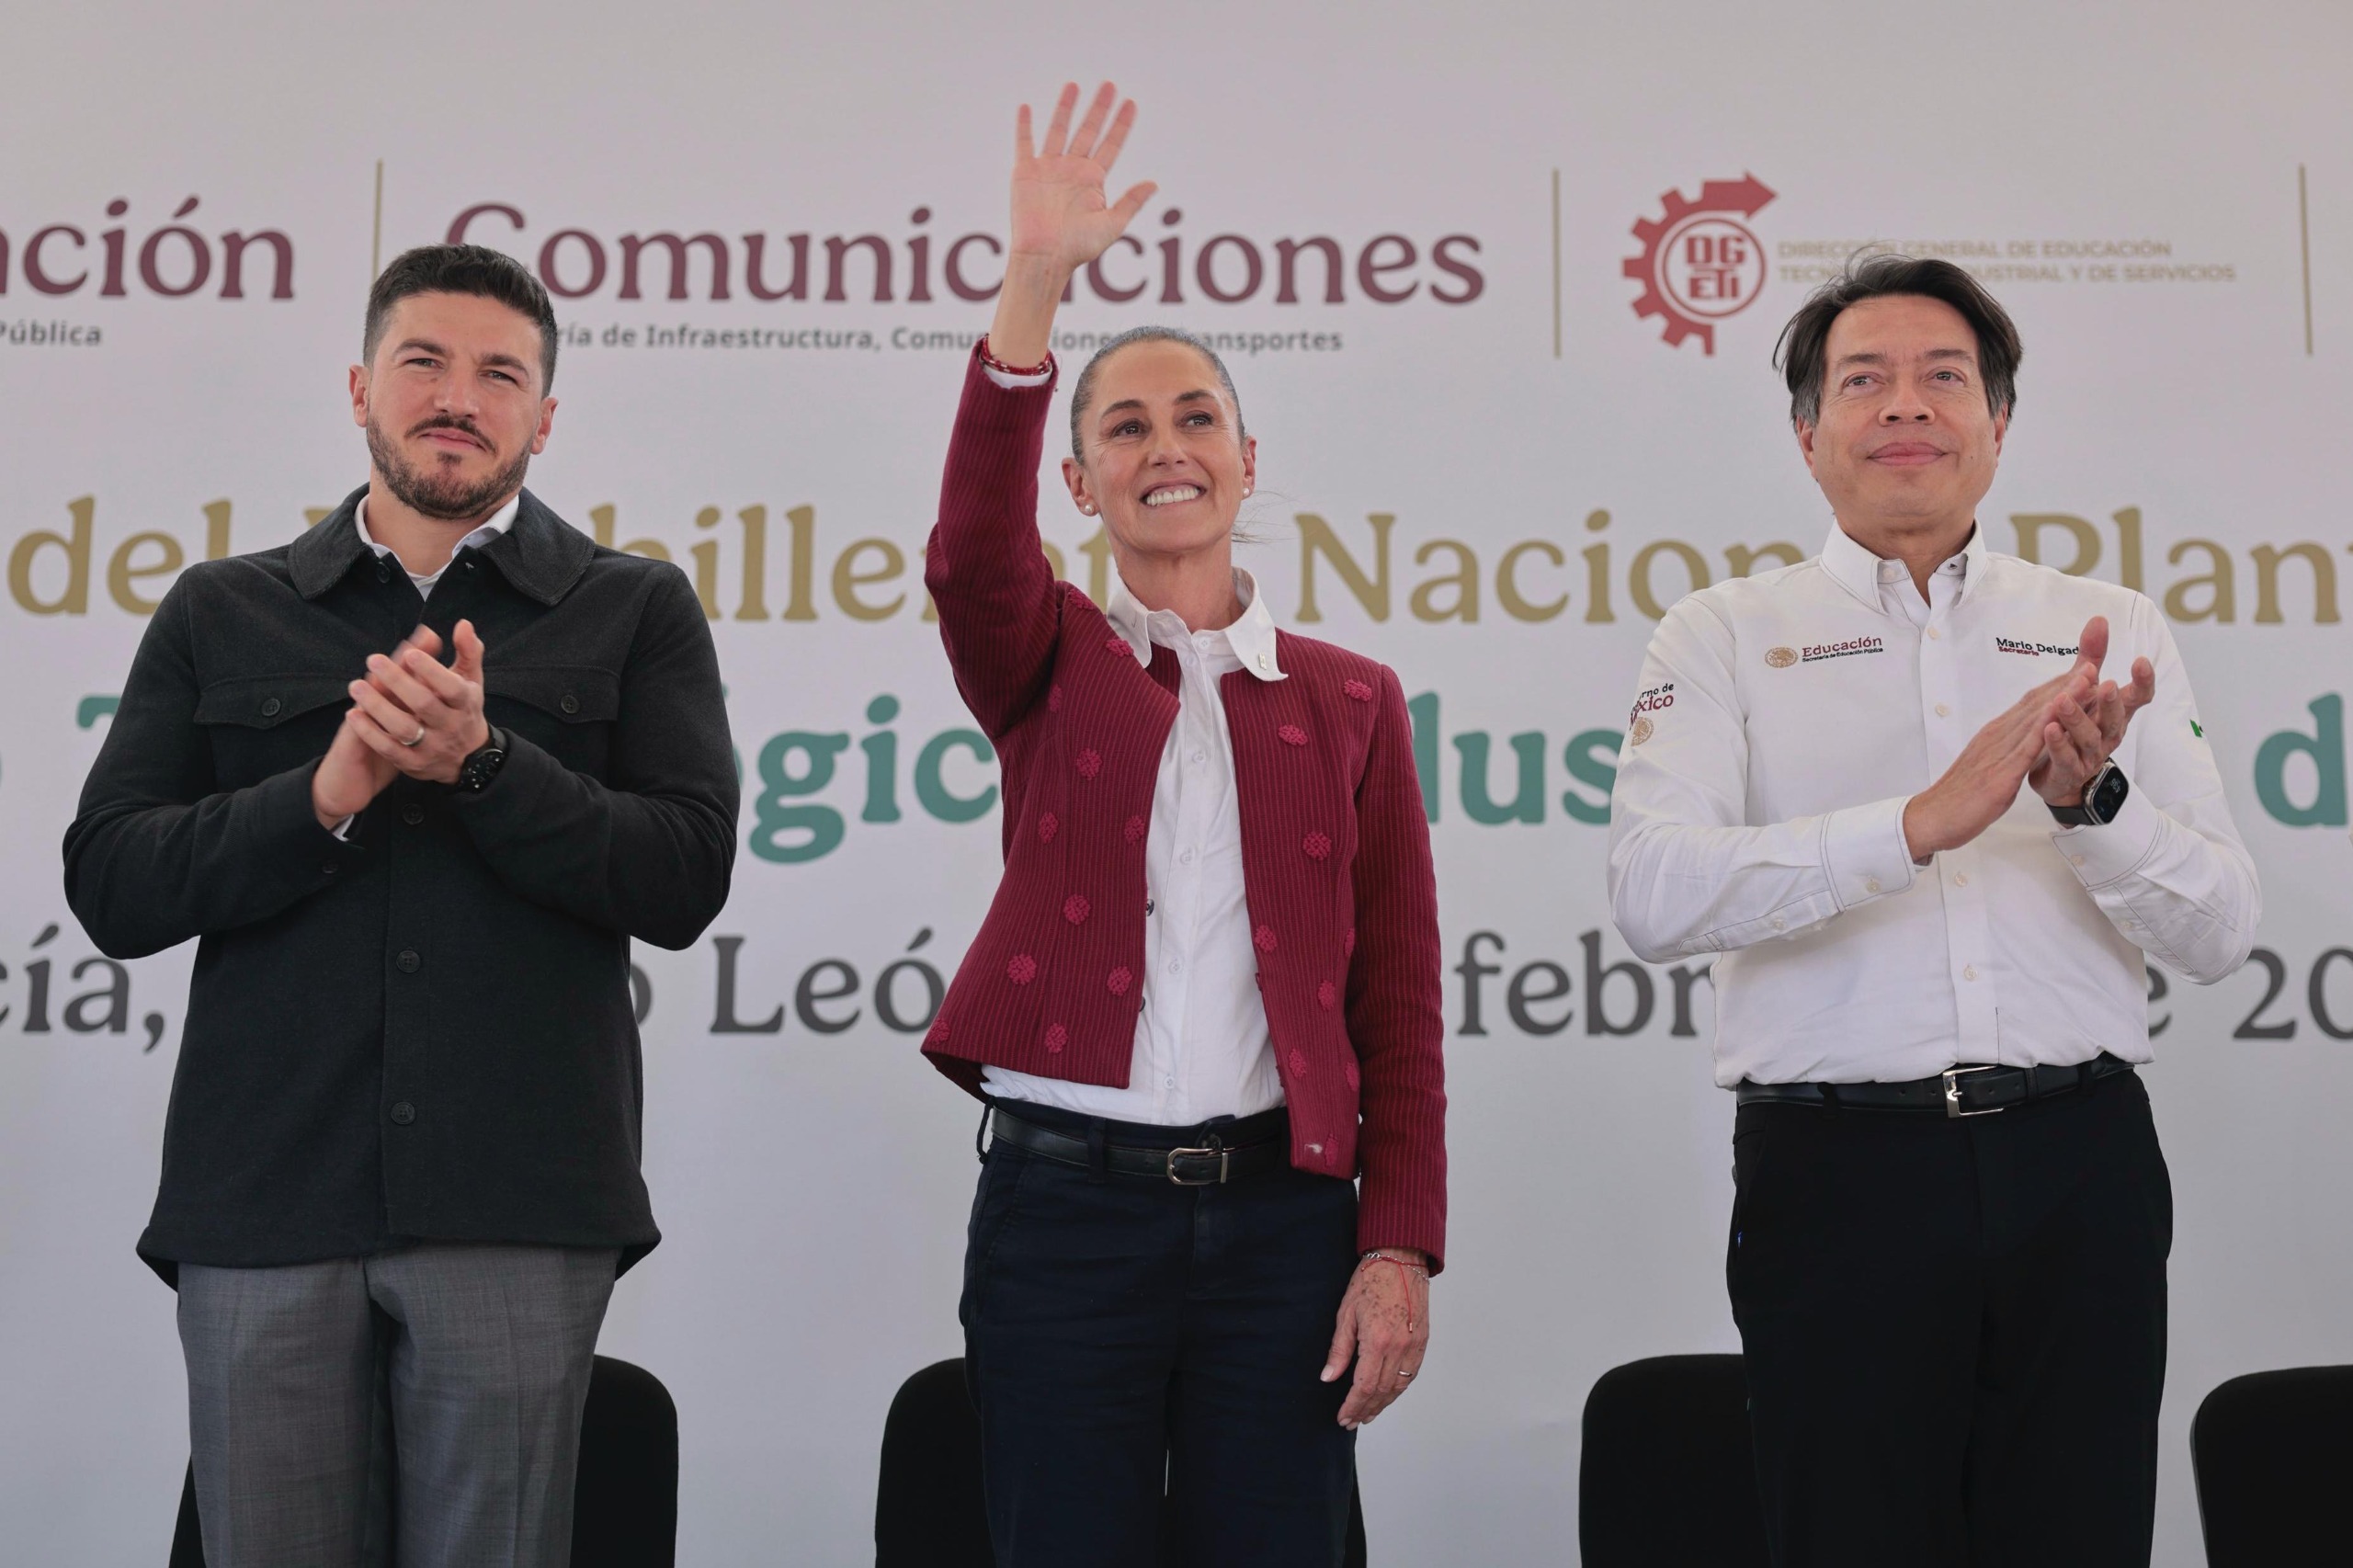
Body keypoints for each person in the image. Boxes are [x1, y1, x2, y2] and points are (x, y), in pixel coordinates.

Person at [63, 244, 737, 1568]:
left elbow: (681, 873)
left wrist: (483, 766)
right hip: (263, 1199)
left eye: (501, 373)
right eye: (424, 361)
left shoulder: (633, 608)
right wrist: (322, 793)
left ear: (544, 417)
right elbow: (112, 881)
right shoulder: (223, 607)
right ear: (361, 386)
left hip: (520, 1199)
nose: (457, 397)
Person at [1607, 254, 2260, 1566]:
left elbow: (2219, 928)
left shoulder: (2103, 624)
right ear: (1809, 436)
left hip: (2080, 1164)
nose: (1906, 406)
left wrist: (2096, 804)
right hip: (1839, 1174)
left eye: (1944, 378)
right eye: (1865, 381)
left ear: (1999, 425)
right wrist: (1914, 824)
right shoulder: (1723, 631)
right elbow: (1653, 890)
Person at [919, 83, 1446, 1566]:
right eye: (1127, 426)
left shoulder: (1350, 698)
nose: (1170, 445)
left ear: (1248, 457)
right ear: (1079, 482)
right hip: (1062, 1218)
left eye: (1197, 415)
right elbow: (968, 551)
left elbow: (1396, 1002)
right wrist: (1035, 287)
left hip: (1285, 1229)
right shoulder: (1048, 653)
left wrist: (1395, 1243)